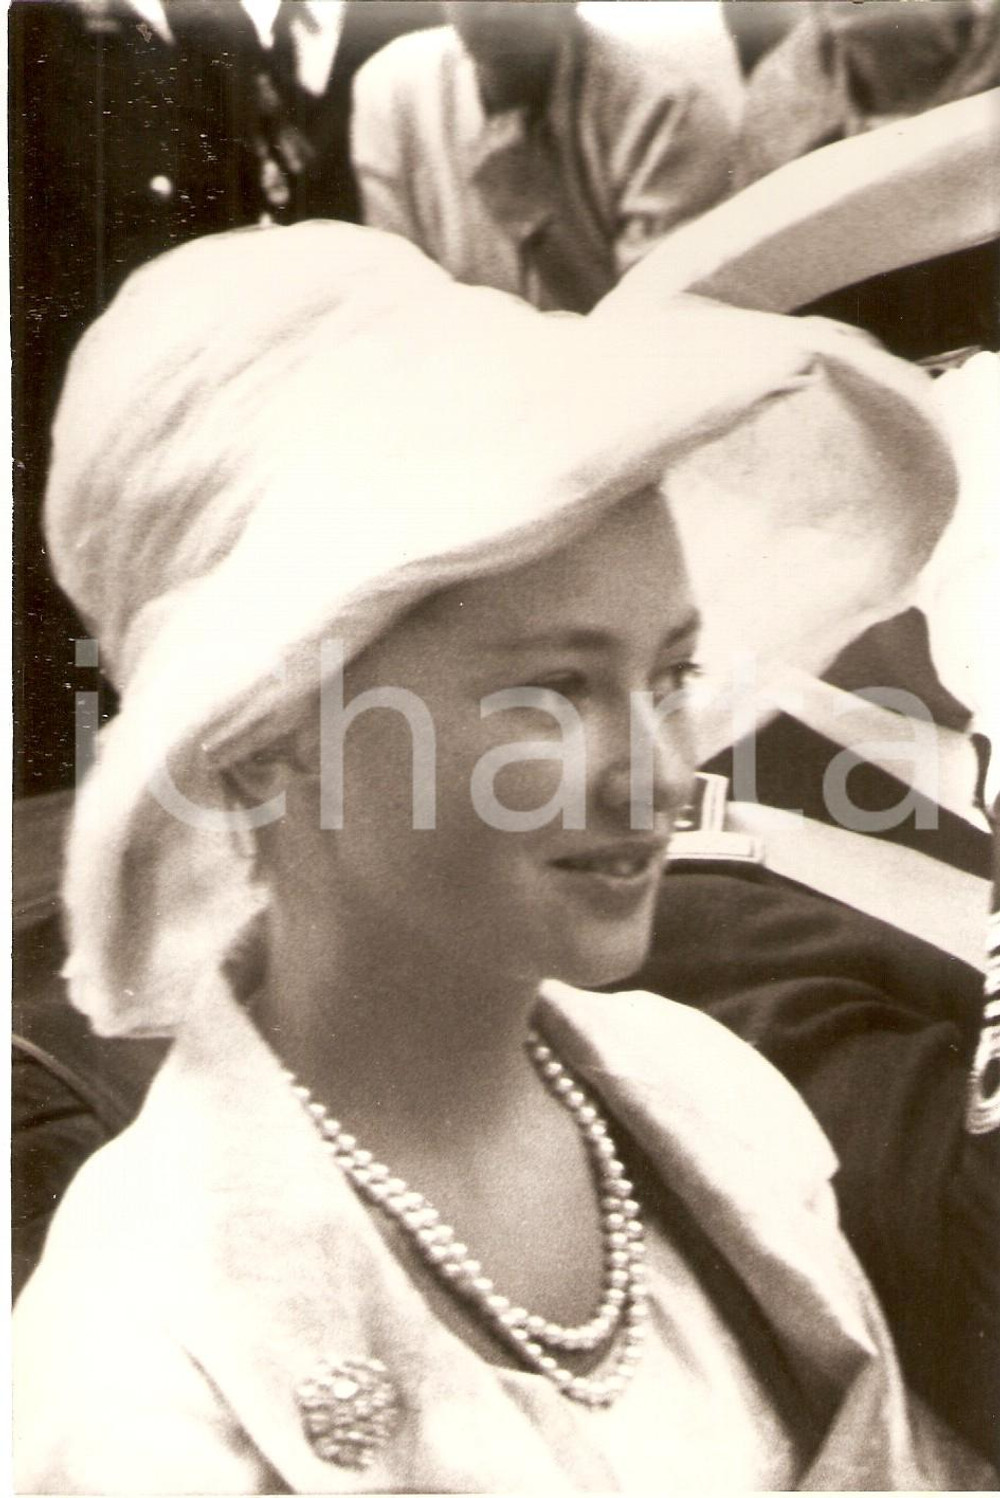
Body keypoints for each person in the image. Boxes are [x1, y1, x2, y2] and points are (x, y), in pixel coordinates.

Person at [12, 220, 992, 1492]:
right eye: (551, 693)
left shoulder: (719, 1102)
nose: (659, 769)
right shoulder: (145, 1360)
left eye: (672, 672)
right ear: (259, 742)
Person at [350, 0, 738, 313]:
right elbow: (397, 299)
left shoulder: (667, 112)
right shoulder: (392, 88)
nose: (499, 8)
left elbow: (657, 334)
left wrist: (536, 222)